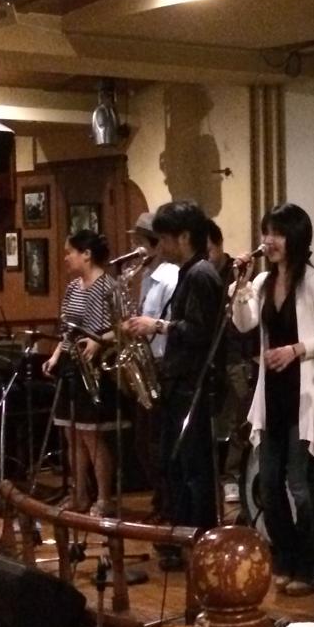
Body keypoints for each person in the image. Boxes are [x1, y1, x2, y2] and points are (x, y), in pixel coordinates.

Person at [230, 202, 314, 596]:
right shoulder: (264, 281)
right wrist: (242, 284)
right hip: (272, 394)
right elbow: (243, 323)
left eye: (278, 233)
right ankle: (285, 557)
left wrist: (296, 350)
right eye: (266, 232)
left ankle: (312, 566)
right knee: (268, 484)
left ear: (295, 238)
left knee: (300, 485)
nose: (269, 240)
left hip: (303, 394)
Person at [124, 201, 224, 568]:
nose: (161, 246)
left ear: (183, 237)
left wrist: (158, 326)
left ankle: (197, 542)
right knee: (177, 465)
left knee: (193, 470)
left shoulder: (200, 275)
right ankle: (183, 538)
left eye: (165, 238)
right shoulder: (190, 272)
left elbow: (201, 331)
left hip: (192, 385)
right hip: (179, 383)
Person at [42, 230, 126, 517]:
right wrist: (56, 356)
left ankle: (104, 498)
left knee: (92, 436)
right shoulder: (72, 288)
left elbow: (123, 326)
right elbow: (67, 330)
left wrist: (99, 340)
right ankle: (78, 493)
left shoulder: (110, 287)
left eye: (70, 252)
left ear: (86, 254)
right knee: (72, 434)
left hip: (96, 365)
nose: (66, 257)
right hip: (72, 362)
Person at [127, 212, 179, 519]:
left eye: (139, 243)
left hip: (163, 366)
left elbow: (175, 325)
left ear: (156, 244)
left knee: (156, 442)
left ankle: (168, 502)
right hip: (148, 364)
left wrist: (149, 326)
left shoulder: (170, 278)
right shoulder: (147, 276)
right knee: (143, 443)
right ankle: (161, 499)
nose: (135, 250)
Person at [206, 219, 258, 501]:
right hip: (213, 358)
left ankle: (233, 476)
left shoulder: (236, 272)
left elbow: (246, 321)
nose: (206, 257)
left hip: (238, 356)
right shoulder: (202, 275)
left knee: (241, 418)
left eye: (209, 250)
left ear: (219, 245)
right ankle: (215, 475)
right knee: (216, 420)